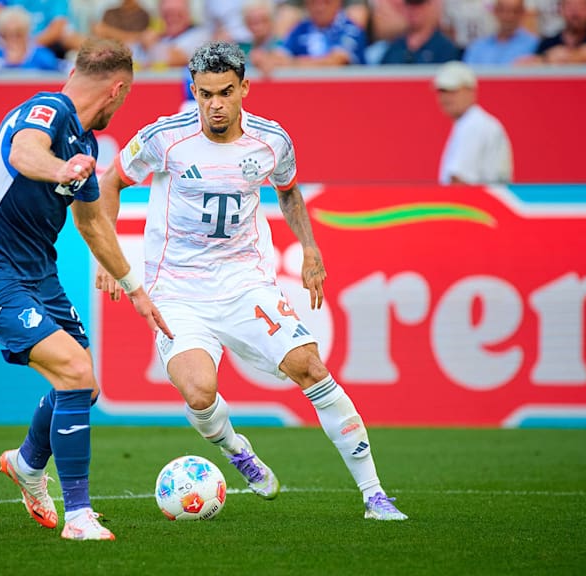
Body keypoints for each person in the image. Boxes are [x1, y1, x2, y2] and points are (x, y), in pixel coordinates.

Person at [97, 41, 409, 522]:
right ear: (194, 92)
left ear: (244, 87)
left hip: (246, 283)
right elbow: (110, 184)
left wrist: (309, 247)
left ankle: (374, 494)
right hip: (178, 292)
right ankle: (236, 448)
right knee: (199, 392)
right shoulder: (164, 137)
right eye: (204, 94)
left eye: (224, 92)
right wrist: (109, 256)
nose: (214, 105)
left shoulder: (271, 141)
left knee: (310, 366)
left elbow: (288, 193)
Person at [0, 38, 171, 541]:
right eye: (126, 98)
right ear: (117, 90)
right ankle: (79, 516)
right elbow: (24, 151)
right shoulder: (46, 110)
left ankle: (28, 464)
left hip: (37, 275)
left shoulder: (86, 144)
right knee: (73, 372)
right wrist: (60, 169)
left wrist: (135, 289)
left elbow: (92, 225)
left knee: (84, 386)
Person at [434, 61, 513, 185]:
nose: (446, 98)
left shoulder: (473, 125)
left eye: (453, 91)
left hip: (473, 203)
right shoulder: (474, 122)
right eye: (442, 92)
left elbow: (460, 180)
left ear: (470, 91)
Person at [379, 0, 460, 63]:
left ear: (430, 5)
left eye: (418, 4)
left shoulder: (444, 48)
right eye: (409, 4)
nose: (412, 10)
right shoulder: (395, 47)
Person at [463, 0, 539, 64]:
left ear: (523, 13)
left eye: (514, 11)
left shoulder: (535, 45)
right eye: (502, 10)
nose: (508, 17)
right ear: (495, 11)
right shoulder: (477, 47)